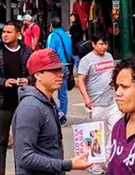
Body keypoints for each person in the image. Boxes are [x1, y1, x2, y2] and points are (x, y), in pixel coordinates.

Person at [12, 48, 91, 174]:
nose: (60, 74)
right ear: (37, 75)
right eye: (54, 70)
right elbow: (24, 157)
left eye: (60, 69)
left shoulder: (46, 101)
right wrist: (68, 164)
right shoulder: (31, 107)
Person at [0, 20, 32, 175]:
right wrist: (3, 82)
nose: (5, 35)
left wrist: (28, 80)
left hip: (23, 102)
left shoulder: (28, 51)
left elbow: (37, 72)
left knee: (23, 142)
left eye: (9, 32)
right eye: (3, 32)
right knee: (1, 141)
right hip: (2, 102)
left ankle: (21, 171)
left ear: (18, 34)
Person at [76, 34, 119, 174]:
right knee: (95, 136)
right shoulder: (86, 60)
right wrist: (86, 98)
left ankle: (107, 158)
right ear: (93, 44)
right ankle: (94, 164)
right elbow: (81, 80)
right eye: (101, 44)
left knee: (118, 130)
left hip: (112, 102)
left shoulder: (109, 57)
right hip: (96, 104)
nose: (104, 47)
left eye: (106, 44)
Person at [45, 17, 73, 124]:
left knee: (46, 91)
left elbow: (49, 52)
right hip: (66, 65)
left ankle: (58, 113)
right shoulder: (67, 35)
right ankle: (62, 115)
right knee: (63, 93)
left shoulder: (52, 36)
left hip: (56, 66)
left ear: (52, 25)